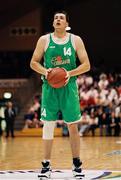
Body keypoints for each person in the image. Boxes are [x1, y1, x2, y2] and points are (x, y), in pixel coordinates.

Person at [30, 10, 90, 179]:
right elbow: (33, 62)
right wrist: (46, 71)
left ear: (66, 23)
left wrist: (70, 73)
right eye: (55, 17)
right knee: (48, 124)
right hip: (49, 88)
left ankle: (76, 164)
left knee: (72, 125)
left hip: (69, 87)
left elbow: (86, 65)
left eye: (61, 18)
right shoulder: (44, 40)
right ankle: (46, 164)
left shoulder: (75, 40)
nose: (58, 19)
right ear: (53, 23)